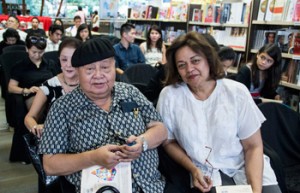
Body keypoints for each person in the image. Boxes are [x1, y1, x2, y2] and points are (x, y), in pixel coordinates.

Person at [38, 38, 177, 193]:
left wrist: (143, 142)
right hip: (98, 188)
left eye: (105, 67)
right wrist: (93, 157)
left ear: (114, 68)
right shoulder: (62, 108)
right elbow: (50, 165)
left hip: (152, 186)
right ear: (77, 72)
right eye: (89, 69)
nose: (98, 75)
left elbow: (159, 128)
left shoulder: (130, 92)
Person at [157, 32, 281, 193]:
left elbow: (253, 147)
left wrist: (255, 190)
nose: (189, 69)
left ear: (209, 59)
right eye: (181, 65)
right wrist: (193, 169)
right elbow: (168, 141)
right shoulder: (170, 95)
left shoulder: (236, 92)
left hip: (247, 166)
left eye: (195, 61)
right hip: (205, 173)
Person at [24, 37, 81, 138]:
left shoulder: (91, 83)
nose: (68, 64)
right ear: (59, 59)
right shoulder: (49, 86)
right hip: (57, 138)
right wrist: (36, 127)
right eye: (64, 59)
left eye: (73, 59)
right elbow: (29, 117)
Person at [8, 33, 59, 110]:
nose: (37, 55)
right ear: (27, 49)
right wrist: (27, 90)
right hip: (32, 95)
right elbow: (11, 87)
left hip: (50, 93)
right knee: (39, 104)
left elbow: (58, 79)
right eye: (34, 52)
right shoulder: (20, 66)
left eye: (41, 52)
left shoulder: (50, 64)